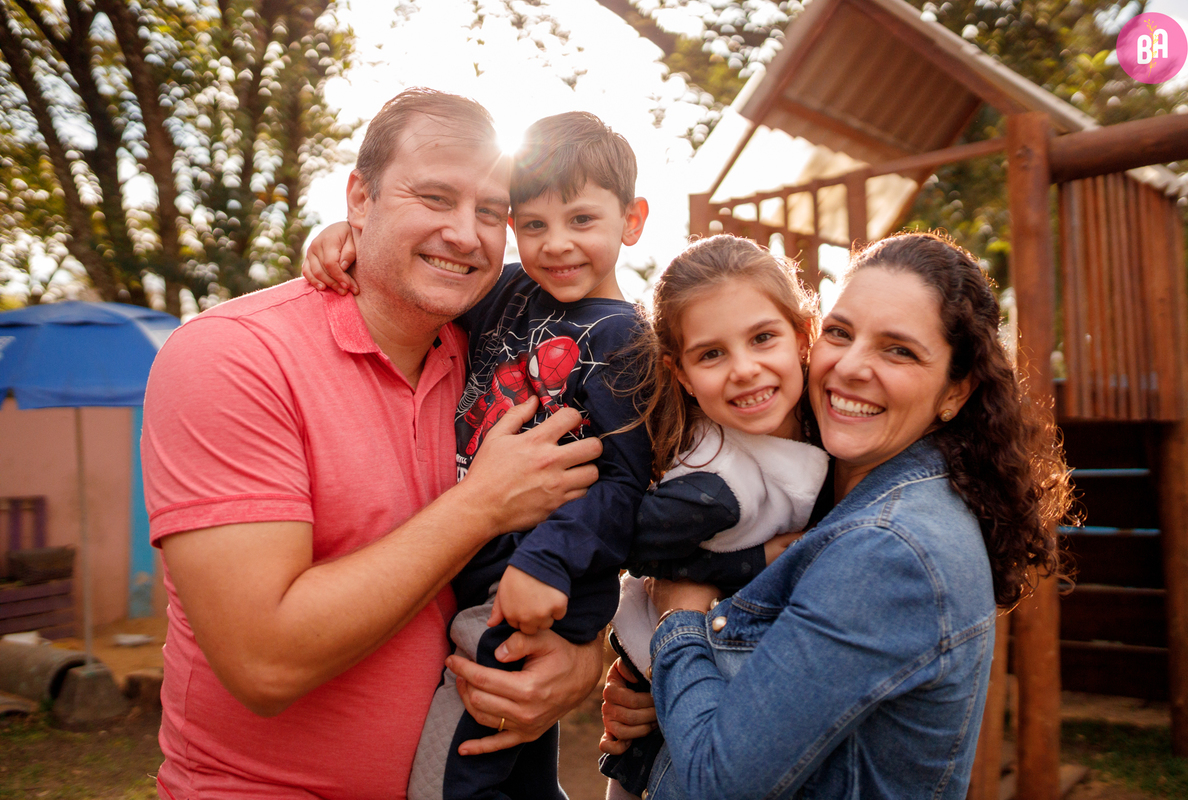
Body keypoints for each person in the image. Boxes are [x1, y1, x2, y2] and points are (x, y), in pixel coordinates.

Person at [141, 88, 607, 800]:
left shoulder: (494, 356)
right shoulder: (231, 357)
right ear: (359, 198)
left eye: (490, 212)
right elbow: (264, 663)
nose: (465, 233)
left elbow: (596, 519)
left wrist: (584, 657)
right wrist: (480, 505)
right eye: (434, 197)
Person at [600, 231, 1073, 799]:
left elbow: (718, 782)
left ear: (956, 390)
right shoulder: (825, 481)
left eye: (898, 349)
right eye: (841, 333)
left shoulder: (889, 547)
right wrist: (658, 692)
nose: (850, 366)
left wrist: (676, 624)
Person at [303, 111, 654, 800]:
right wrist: (344, 235)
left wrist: (544, 563)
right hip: (487, 556)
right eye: (533, 224)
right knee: (518, 767)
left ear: (631, 220)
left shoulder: (627, 343)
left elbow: (624, 484)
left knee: (456, 761)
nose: (556, 246)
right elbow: (423, 273)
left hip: (539, 576)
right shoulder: (511, 290)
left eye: (582, 221)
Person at [597, 235, 830, 798]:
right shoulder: (713, 484)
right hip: (665, 699)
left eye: (763, 338)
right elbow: (629, 544)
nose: (745, 369)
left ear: (802, 336)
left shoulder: (828, 425)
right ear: (680, 374)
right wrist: (761, 558)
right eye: (712, 354)